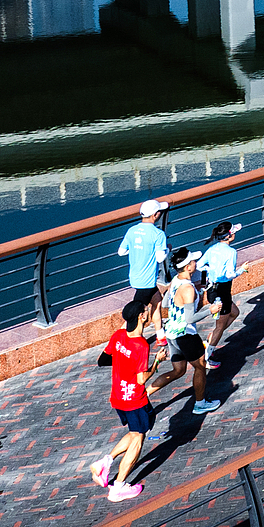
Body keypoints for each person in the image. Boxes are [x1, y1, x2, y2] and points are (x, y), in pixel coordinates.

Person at [91, 300, 155, 502]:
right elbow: (141, 379)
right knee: (138, 439)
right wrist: (157, 362)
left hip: (118, 397)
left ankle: (105, 463)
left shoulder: (118, 336)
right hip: (135, 399)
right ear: (141, 317)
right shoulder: (141, 345)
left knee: (134, 432)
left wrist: (123, 361)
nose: (149, 310)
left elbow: (103, 359)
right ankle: (118, 487)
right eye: (146, 309)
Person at [148, 248, 220, 416]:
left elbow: (166, 303)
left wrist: (195, 293)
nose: (196, 263)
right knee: (200, 367)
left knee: (178, 371)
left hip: (171, 333)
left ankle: (145, 395)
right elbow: (190, 319)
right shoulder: (187, 289)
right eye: (193, 262)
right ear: (188, 267)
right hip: (185, 334)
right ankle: (200, 404)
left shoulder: (175, 280)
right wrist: (211, 309)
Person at [117, 200, 170, 334]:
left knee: (157, 301)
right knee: (135, 315)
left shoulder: (131, 231)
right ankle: (122, 339)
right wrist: (168, 250)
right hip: (147, 280)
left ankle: (160, 335)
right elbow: (159, 258)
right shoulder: (158, 234)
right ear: (156, 215)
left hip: (135, 277)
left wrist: (137, 250)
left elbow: (121, 252)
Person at [197, 220, 241, 369]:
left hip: (212, 290)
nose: (234, 233)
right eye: (233, 231)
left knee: (235, 312)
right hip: (222, 291)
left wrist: (211, 270)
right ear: (229, 236)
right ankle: (207, 357)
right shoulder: (231, 252)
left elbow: (199, 265)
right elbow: (229, 274)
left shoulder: (212, 249)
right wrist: (242, 270)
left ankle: (210, 341)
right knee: (219, 327)